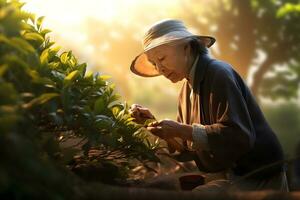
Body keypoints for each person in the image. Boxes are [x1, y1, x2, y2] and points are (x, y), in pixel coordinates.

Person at [129, 19, 289, 191]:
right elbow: (186, 147)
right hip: (227, 176)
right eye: (154, 64)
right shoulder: (186, 89)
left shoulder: (218, 73)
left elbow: (238, 136)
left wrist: (181, 130)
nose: (160, 69)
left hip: (256, 176)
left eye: (162, 58)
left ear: (187, 48)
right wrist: (154, 125)